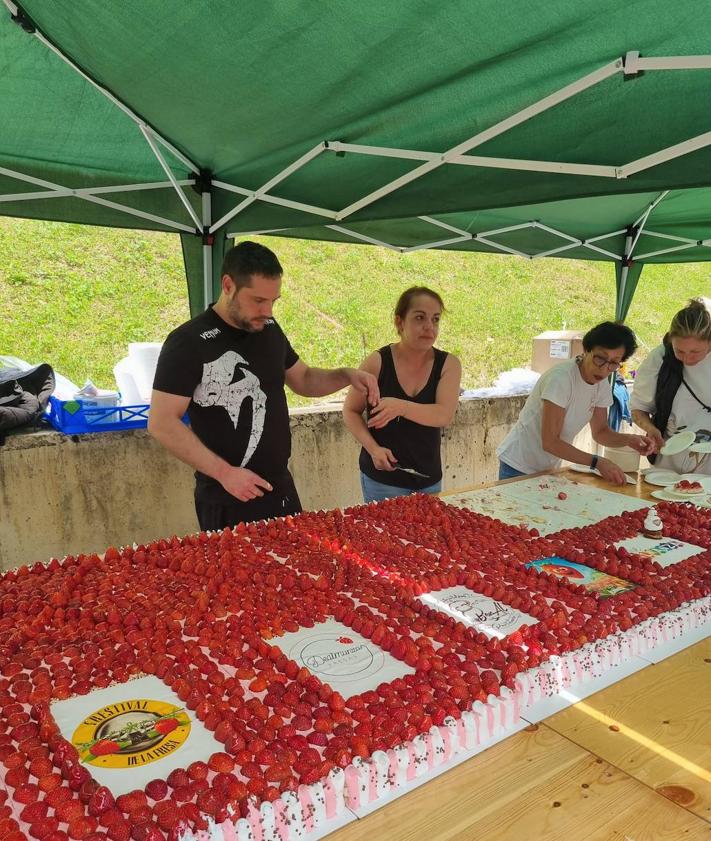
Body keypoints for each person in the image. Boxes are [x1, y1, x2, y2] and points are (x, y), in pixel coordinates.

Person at [148, 241, 379, 531]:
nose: (268, 311)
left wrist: (346, 375)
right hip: (227, 496)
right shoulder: (188, 342)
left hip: (280, 487)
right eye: (258, 300)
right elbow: (161, 422)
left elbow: (304, 379)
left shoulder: (268, 329)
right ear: (228, 285)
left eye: (274, 301)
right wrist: (225, 474)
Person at [497, 321, 657, 485]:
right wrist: (597, 462)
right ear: (586, 350)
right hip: (518, 465)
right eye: (600, 358)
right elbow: (550, 441)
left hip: (548, 467)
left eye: (614, 362)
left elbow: (600, 431)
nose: (604, 369)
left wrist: (630, 440)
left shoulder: (602, 383)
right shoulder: (561, 379)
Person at [342, 286, 461, 502]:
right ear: (399, 322)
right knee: (382, 536)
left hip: (428, 479)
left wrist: (401, 407)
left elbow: (444, 415)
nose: (429, 327)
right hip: (382, 480)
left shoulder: (448, 364)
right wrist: (374, 449)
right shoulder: (377, 362)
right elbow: (350, 410)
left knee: (429, 536)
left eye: (435, 319)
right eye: (419, 318)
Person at [630, 297, 711, 475]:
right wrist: (651, 429)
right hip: (668, 466)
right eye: (679, 351)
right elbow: (638, 409)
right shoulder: (660, 358)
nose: (688, 359)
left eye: (695, 352)